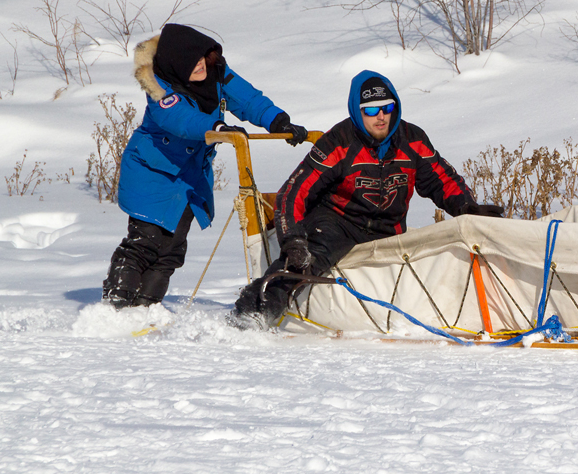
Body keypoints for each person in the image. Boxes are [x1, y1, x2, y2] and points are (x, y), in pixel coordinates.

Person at [232, 69, 503, 327]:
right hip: (338, 222)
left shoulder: (413, 140)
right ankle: (254, 312)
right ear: (357, 111)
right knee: (306, 260)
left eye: (387, 108)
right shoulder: (338, 141)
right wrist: (292, 239)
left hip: (390, 228)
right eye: (371, 110)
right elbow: (294, 192)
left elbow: (442, 180)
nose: (381, 116)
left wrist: (468, 208)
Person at [102, 23, 309, 308]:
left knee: (172, 251)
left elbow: (248, 99)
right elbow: (181, 119)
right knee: (145, 244)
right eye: (191, 64)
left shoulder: (217, 74)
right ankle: (116, 307)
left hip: (188, 179)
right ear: (175, 66)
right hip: (151, 174)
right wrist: (217, 126)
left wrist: (278, 121)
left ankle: (144, 310)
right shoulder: (161, 90)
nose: (200, 67)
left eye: (201, 59)